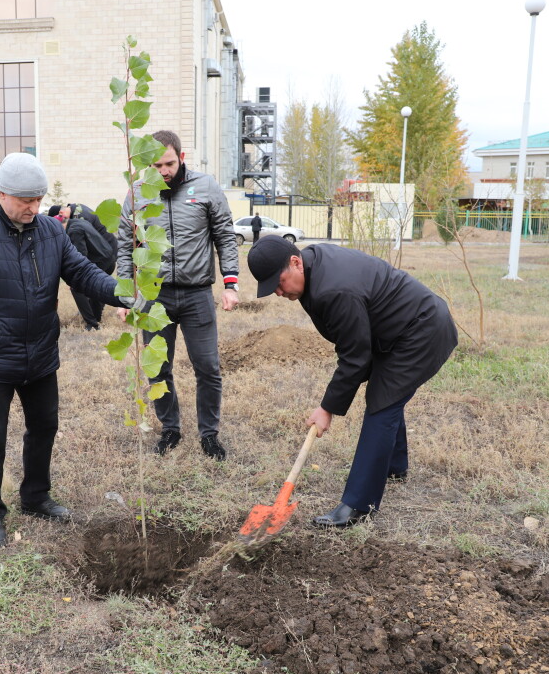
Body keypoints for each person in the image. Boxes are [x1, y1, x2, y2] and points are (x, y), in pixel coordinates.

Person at [0, 153, 128, 549]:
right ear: (2, 193)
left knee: (44, 428)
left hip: (40, 355)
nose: (34, 208)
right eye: (26, 201)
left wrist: (120, 292)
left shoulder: (50, 232)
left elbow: (82, 272)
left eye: (39, 200)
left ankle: (36, 496)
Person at [247, 236, 457, 527]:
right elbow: (352, 339)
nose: (279, 292)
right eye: (272, 288)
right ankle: (394, 467)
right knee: (387, 395)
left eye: (279, 282)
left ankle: (359, 505)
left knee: (383, 404)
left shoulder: (334, 289)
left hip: (421, 331)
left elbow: (355, 355)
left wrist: (327, 408)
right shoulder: (313, 266)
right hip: (395, 331)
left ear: (295, 262)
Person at [116, 130, 239, 460]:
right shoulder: (138, 194)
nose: (163, 171)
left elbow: (226, 237)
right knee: (157, 368)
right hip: (154, 297)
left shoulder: (207, 188)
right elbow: (125, 248)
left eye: (169, 163)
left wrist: (231, 284)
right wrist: (126, 294)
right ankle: (170, 429)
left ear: (181, 158)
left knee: (208, 368)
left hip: (197, 293)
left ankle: (209, 435)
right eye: (156, 165)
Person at [48, 203, 116, 330]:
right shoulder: (78, 222)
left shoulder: (73, 231)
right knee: (96, 288)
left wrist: (75, 278)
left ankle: (91, 323)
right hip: (109, 260)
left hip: (102, 262)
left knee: (77, 287)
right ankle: (96, 317)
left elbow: (81, 256)